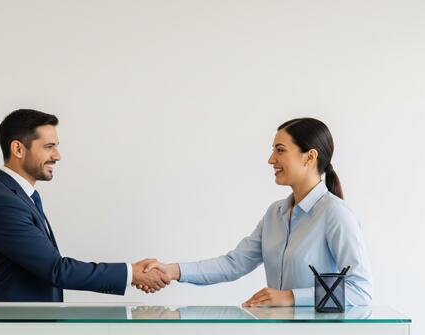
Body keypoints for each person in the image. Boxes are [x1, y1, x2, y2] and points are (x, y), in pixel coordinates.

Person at [143, 118, 372, 307]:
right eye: (273, 151)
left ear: (310, 157)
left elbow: (360, 291)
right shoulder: (275, 214)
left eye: (280, 150)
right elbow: (234, 264)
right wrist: (172, 271)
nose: (271, 159)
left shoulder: (336, 214)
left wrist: (291, 297)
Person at [0, 109, 168, 302]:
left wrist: (131, 272)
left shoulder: (18, 197)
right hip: (12, 330)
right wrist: (131, 273)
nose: (57, 156)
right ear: (18, 149)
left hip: (28, 327)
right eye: (49, 147)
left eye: (56, 146)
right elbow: (57, 270)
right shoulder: (4, 204)